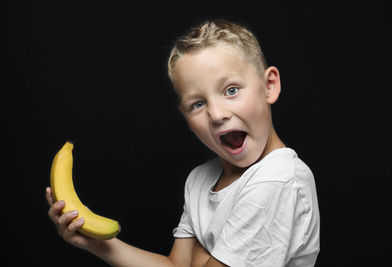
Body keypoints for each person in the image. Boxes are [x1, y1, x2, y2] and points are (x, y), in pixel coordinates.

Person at [46, 19, 320, 267]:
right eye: (198, 104)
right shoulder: (200, 180)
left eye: (231, 90)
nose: (217, 114)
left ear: (269, 85)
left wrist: (199, 257)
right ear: (185, 116)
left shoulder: (278, 180)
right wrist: (97, 244)